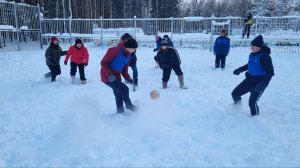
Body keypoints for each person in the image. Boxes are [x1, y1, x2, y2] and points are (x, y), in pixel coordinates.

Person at [232, 35, 274, 116]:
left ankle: (255, 119)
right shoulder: (252, 54)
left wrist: (263, 84)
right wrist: (239, 70)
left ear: (259, 47)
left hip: (259, 83)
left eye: (253, 46)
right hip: (249, 80)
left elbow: (270, 72)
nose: (251, 48)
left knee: (252, 102)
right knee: (235, 93)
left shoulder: (265, 57)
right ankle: (237, 109)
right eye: (251, 46)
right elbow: (250, 65)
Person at [100, 38, 138, 113]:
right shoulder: (115, 50)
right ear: (129, 47)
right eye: (134, 49)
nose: (134, 50)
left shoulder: (128, 56)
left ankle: (120, 112)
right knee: (124, 89)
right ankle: (128, 105)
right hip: (107, 76)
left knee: (118, 94)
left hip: (116, 77)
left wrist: (128, 78)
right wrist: (109, 74)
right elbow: (103, 63)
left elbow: (124, 70)